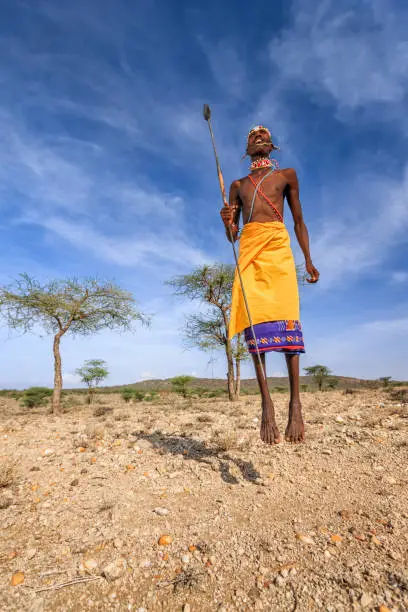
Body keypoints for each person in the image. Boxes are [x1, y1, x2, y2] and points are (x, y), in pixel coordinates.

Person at [220, 126, 319, 444]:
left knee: (288, 318)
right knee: (253, 320)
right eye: (251, 137)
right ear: (247, 149)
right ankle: (266, 407)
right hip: (250, 250)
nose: (257, 138)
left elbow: (299, 221)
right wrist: (227, 221)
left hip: (277, 247)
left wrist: (308, 259)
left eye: (263, 135)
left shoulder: (287, 175)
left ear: (271, 146)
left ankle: (295, 405)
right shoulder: (237, 185)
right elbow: (233, 237)